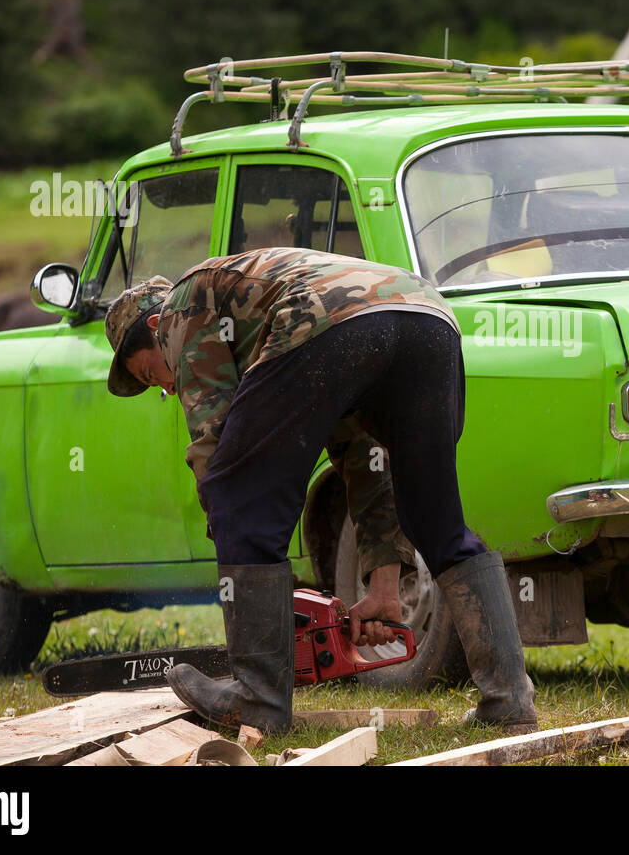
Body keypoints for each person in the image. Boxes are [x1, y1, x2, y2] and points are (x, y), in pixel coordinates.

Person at [103, 247, 536, 734]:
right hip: (427, 319)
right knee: (435, 518)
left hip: (331, 320)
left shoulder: (182, 304)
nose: (165, 387)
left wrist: (231, 533)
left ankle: (259, 700)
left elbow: (215, 442)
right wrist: (383, 585)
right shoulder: (263, 320)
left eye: (150, 373)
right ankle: (509, 699)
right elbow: (364, 457)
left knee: (235, 492)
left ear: (159, 326)